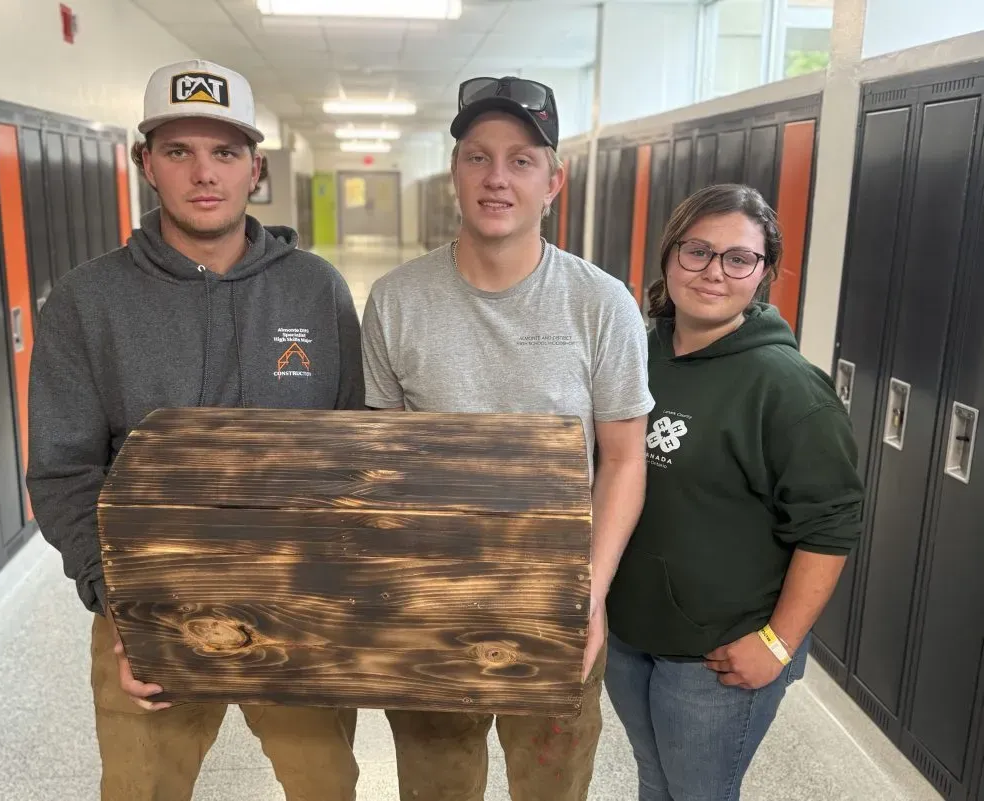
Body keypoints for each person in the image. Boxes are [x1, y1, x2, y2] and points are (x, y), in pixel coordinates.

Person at [26, 59, 362, 801]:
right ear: (146, 163)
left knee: (328, 785)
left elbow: (351, 452)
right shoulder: (88, 301)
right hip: (147, 607)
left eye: (225, 152)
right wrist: (124, 603)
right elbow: (63, 470)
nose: (203, 173)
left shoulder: (316, 289)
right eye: (178, 151)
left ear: (256, 168)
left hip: (295, 606)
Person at [361, 75, 654, 801]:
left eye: (521, 160)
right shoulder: (397, 300)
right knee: (436, 786)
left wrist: (588, 590)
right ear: (453, 173)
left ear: (554, 180)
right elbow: (383, 461)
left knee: (551, 786)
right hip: (431, 592)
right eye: (478, 157)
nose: (498, 178)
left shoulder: (600, 304)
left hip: (559, 592)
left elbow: (621, 459)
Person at [602, 183, 865, 801]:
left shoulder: (789, 389)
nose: (714, 272)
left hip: (718, 658)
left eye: (738, 257)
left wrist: (777, 644)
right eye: (696, 251)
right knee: (654, 781)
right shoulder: (636, 355)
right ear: (668, 258)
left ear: (764, 271)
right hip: (630, 634)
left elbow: (830, 526)